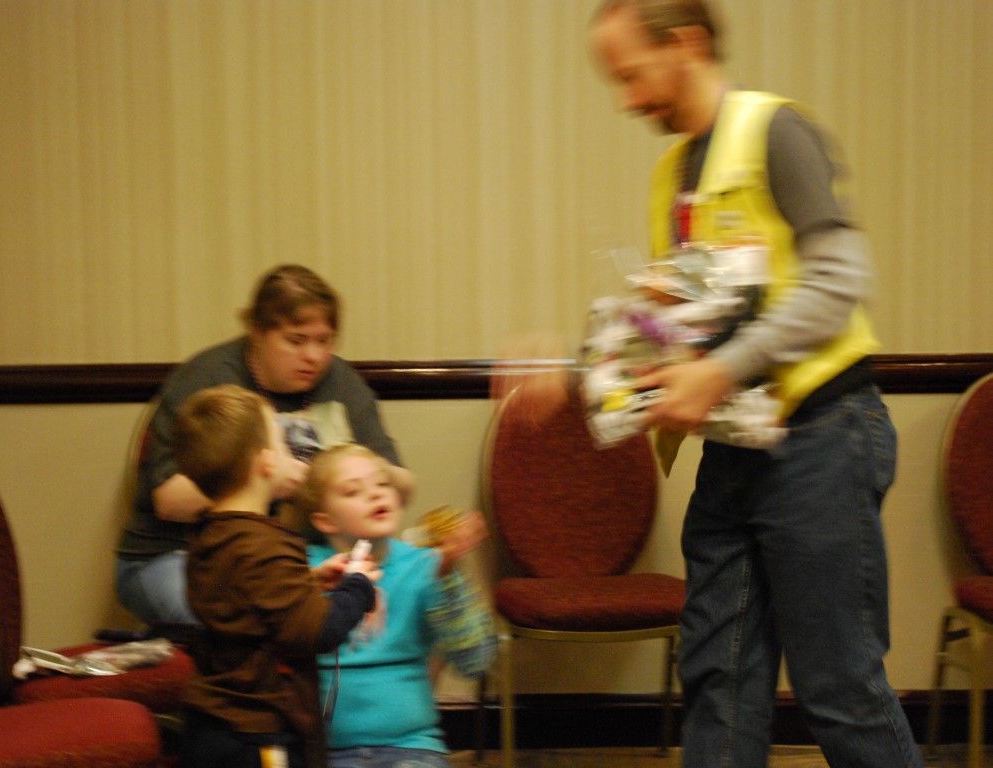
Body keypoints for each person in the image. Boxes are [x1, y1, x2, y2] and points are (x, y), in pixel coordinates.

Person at [572, 2, 922, 766]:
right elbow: (684, 321)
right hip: (733, 453)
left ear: (686, 43)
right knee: (717, 685)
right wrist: (581, 371)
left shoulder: (775, 132)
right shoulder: (672, 175)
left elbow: (838, 285)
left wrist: (720, 370)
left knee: (839, 690)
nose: (626, 101)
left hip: (821, 440)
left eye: (631, 76)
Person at [115, 264, 414, 627]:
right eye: (296, 341)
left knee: (394, 600)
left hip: (294, 558)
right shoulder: (209, 379)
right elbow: (169, 499)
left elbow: (400, 479)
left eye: (324, 341)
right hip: (179, 556)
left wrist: (361, 484)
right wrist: (267, 481)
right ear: (257, 333)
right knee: (246, 619)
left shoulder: (340, 381)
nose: (314, 356)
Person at [173, 384, 382, 768]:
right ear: (266, 463)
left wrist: (310, 581)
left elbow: (246, 602)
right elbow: (317, 632)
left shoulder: (209, 534)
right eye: (284, 445)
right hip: (258, 735)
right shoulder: (266, 544)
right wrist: (358, 586)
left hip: (209, 724)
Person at [289, 444, 496, 768]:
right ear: (325, 521)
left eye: (383, 483)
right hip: (320, 753)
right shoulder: (302, 569)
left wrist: (447, 578)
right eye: (353, 490)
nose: (375, 494)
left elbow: (477, 660)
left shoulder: (426, 566)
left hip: (409, 748)